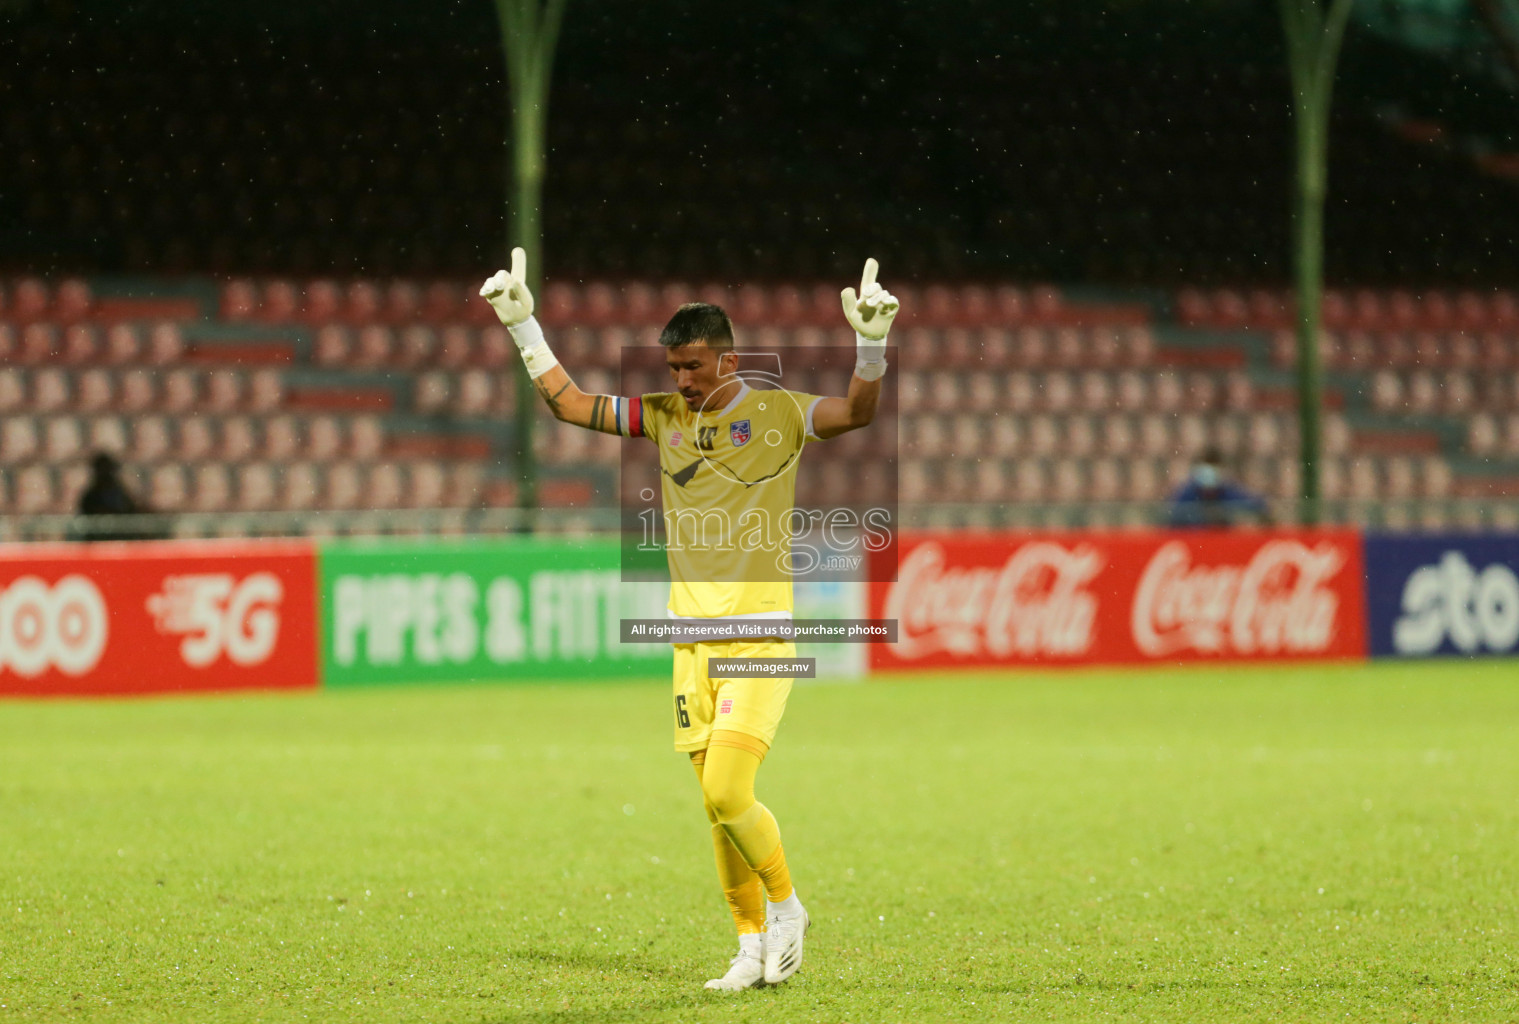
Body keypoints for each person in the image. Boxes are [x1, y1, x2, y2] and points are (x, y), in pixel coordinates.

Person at [480, 249, 895, 992]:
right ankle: (747, 944)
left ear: (728, 360)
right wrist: (523, 324)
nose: (680, 381)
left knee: (728, 792)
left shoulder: (780, 412)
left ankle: (787, 909)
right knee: (715, 810)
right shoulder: (663, 417)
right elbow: (571, 404)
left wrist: (870, 347)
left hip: (760, 630)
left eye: (693, 367)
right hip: (689, 642)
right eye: (672, 369)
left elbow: (857, 412)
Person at [1166, 447, 1269, 528]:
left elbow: (1257, 506)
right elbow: (1171, 518)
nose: (1208, 476)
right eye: (1205, 470)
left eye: (1212, 471)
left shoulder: (1228, 491)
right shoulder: (1187, 494)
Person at [75, 452, 151, 540]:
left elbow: (130, 516)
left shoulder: (121, 493)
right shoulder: (90, 496)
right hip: (98, 543)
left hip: (120, 541)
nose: (105, 474)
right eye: (102, 470)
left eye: (107, 469)